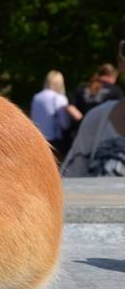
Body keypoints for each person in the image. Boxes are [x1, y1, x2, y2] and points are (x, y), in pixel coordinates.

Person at [63, 19, 125, 176]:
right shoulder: (97, 119)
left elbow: (70, 106)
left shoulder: (83, 88)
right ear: (120, 62)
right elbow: (69, 187)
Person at [30, 70, 71, 158]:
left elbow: (33, 119)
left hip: (38, 139)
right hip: (54, 142)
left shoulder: (37, 97)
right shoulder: (59, 98)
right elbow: (65, 124)